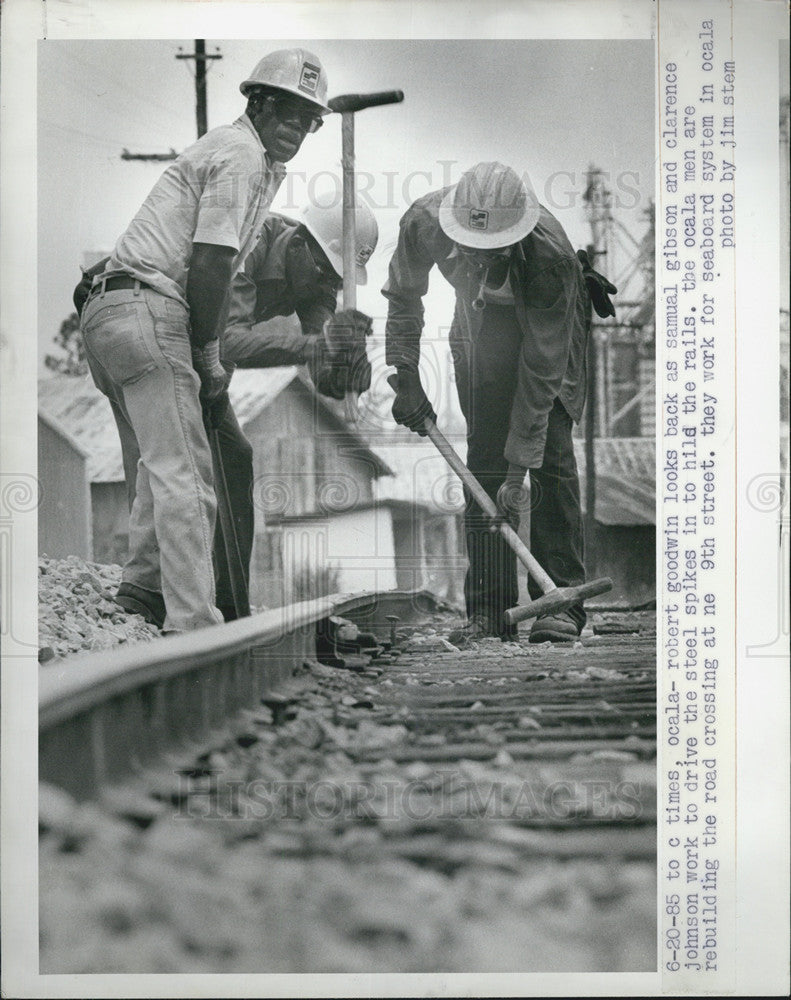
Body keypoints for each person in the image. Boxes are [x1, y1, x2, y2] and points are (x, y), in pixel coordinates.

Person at [78, 48, 332, 632]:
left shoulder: (247, 157)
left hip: (110, 310)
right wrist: (208, 354)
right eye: (287, 112)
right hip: (147, 305)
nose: (296, 127)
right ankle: (194, 622)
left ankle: (142, 591)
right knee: (188, 472)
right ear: (258, 103)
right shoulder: (241, 154)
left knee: (152, 463)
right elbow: (212, 261)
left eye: (308, 119)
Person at [74, 198, 377, 625]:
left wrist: (342, 369)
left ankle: (214, 607)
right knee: (172, 465)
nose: (327, 286)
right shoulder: (249, 244)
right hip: (136, 319)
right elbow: (228, 338)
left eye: (337, 280)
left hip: (184, 346)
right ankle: (153, 596)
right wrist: (314, 348)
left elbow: (320, 347)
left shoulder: (316, 277)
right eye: (325, 272)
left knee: (223, 458)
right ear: (298, 245)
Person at [382, 161, 616, 645]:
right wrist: (404, 372)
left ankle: (563, 601)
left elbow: (540, 373)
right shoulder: (423, 222)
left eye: (493, 251)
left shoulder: (549, 258)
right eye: (471, 248)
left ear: (517, 235)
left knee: (549, 451)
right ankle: (490, 612)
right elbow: (404, 297)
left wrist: (519, 471)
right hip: (480, 327)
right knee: (484, 459)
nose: (480, 259)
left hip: (549, 327)